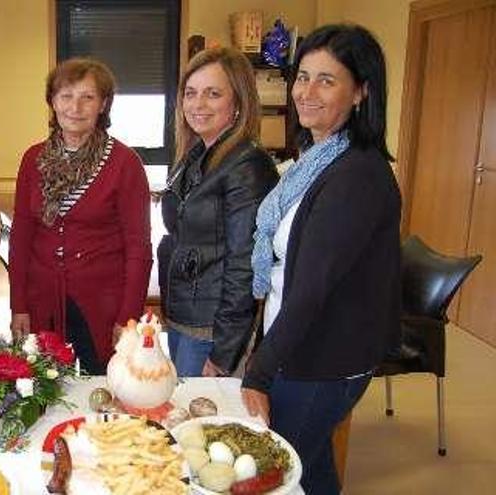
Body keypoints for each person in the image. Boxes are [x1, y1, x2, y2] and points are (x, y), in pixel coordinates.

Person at [241, 24, 401, 494]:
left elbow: (311, 287)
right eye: (302, 77)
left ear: (361, 92)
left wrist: (260, 369)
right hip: (300, 343)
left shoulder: (357, 176)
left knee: (277, 472)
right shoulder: (319, 156)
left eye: (327, 80)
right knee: (311, 465)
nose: (306, 93)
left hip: (323, 359)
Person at [9, 58, 152, 374]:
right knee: (42, 388)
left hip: (102, 304)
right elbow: (20, 237)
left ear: (103, 104)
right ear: (52, 102)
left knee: (101, 389)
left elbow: (138, 250)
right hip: (41, 300)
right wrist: (18, 304)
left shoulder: (125, 163)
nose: (76, 107)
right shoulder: (34, 160)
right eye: (66, 95)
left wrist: (128, 318)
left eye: (88, 97)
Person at [158, 47, 278, 377]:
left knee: (196, 424)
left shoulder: (246, 166)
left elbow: (244, 264)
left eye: (213, 94)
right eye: (191, 93)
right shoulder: (197, 154)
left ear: (238, 102)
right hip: (185, 314)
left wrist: (225, 352)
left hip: (211, 328)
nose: (198, 105)